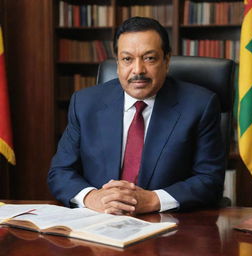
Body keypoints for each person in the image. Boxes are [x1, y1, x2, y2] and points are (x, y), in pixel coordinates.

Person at [48, 17, 225, 215]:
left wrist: (153, 200)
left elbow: (210, 180)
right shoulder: (85, 103)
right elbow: (60, 171)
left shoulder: (200, 105)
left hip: (168, 227)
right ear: (117, 63)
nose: (138, 70)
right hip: (98, 225)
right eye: (127, 59)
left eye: (149, 58)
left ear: (166, 61)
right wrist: (92, 198)